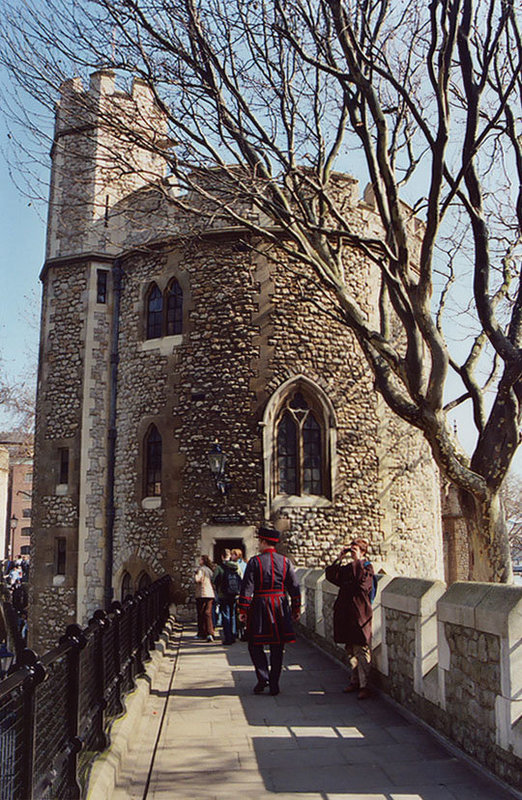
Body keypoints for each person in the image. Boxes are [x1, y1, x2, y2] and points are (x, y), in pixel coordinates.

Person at [238, 525, 301, 696]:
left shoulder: (255, 562)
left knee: (254, 643)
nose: (258, 544)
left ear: (265, 542)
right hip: (280, 605)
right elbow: (294, 587)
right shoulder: (286, 562)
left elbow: (247, 588)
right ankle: (274, 682)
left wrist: (243, 609)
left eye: (260, 541)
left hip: (260, 605)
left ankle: (263, 676)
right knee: (277, 646)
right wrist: (296, 607)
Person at [325, 538, 375, 700]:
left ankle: (364, 685)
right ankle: (354, 680)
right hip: (346, 613)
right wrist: (339, 558)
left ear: (363, 552)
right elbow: (332, 576)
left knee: (361, 649)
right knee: (350, 650)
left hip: (360, 613)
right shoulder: (347, 569)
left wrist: (358, 561)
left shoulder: (367, 568)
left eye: (355, 549)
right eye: (351, 549)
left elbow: (363, 585)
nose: (352, 552)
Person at [213, 549, 242, 644]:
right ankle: (233, 635)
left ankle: (228, 637)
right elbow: (241, 579)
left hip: (223, 594)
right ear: (229, 556)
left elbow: (214, 580)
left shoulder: (219, 567)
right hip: (234, 594)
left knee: (226, 615)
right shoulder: (236, 566)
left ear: (222, 556)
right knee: (233, 614)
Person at [194, 555, 216, 641]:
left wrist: (195, 574)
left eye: (200, 560)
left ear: (203, 561)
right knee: (208, 613)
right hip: (210, 593)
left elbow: (197, 579)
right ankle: (210, 632)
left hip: (202, 594)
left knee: (201, 614)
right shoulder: (209, 570)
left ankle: (202, 632)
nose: (199, 561)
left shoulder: (201, 569)